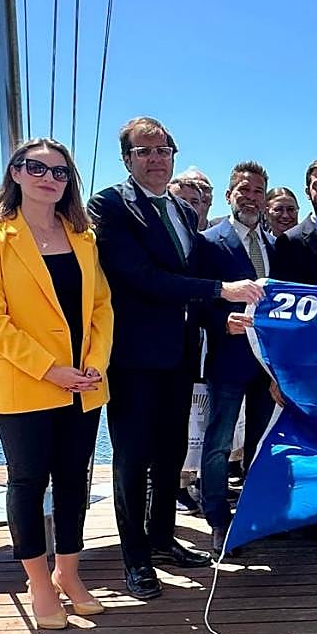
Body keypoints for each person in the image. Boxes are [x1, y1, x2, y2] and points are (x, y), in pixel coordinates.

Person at [89, 116, 262, 599]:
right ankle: (136, 560)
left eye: (163, 149)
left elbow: (191, 297)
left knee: (170, 454)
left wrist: (219, 318)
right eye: (144, 152)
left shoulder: (184, 214)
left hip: (180, 355)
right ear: (127, 160)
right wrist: (219, 289)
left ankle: (163, 540)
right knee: (131, 458)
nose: (155, 158)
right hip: (134, 357)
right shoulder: (110, 206)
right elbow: (139, 277)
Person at [0, 138, 113, 629]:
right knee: (29, 483)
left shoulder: (84, 236)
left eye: (59, 171)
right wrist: (50, 368)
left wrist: (94, 363)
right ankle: (37, 581)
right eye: (36, 168)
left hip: (83, 384)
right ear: (15, 173)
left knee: (74, 481)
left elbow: (100, 309)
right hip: (26, 385)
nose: (48, 178)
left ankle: (69, 574)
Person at [193, 162, 277, 554]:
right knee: (219, 444)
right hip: (227, 360)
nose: (251, 197)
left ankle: (252, 513)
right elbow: (195, 300)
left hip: (266, 366)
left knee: (260, 443)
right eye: (244, 190)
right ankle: (217, 519)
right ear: (229, 195)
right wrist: (221, 321)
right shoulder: (209, 241)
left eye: (258, 191)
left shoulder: (275, 245)